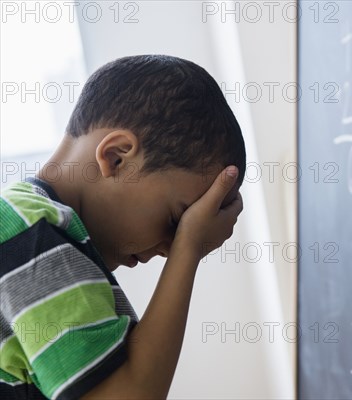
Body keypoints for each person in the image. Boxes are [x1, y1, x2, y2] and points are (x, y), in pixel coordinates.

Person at [0, 54, 245, 399]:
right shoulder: (30, 230)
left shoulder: (39, 233)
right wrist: (190, 249)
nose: (167, 250)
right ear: (116, 156)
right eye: (176, 221)